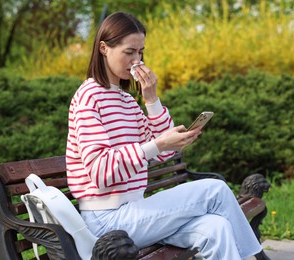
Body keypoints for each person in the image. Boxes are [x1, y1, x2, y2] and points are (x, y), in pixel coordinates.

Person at [66, 11, 266, 260]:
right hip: (107, 221)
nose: (137, 60)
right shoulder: (88, 97)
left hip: (136, 212)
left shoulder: (127, 100)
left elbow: (165, 153)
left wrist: (151, 99)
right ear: (104, 48)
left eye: (140, 52)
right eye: (129, 52)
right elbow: (99, 171)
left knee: (217, 229)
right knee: (216, 190)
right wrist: (157, 145)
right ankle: (260, 257)